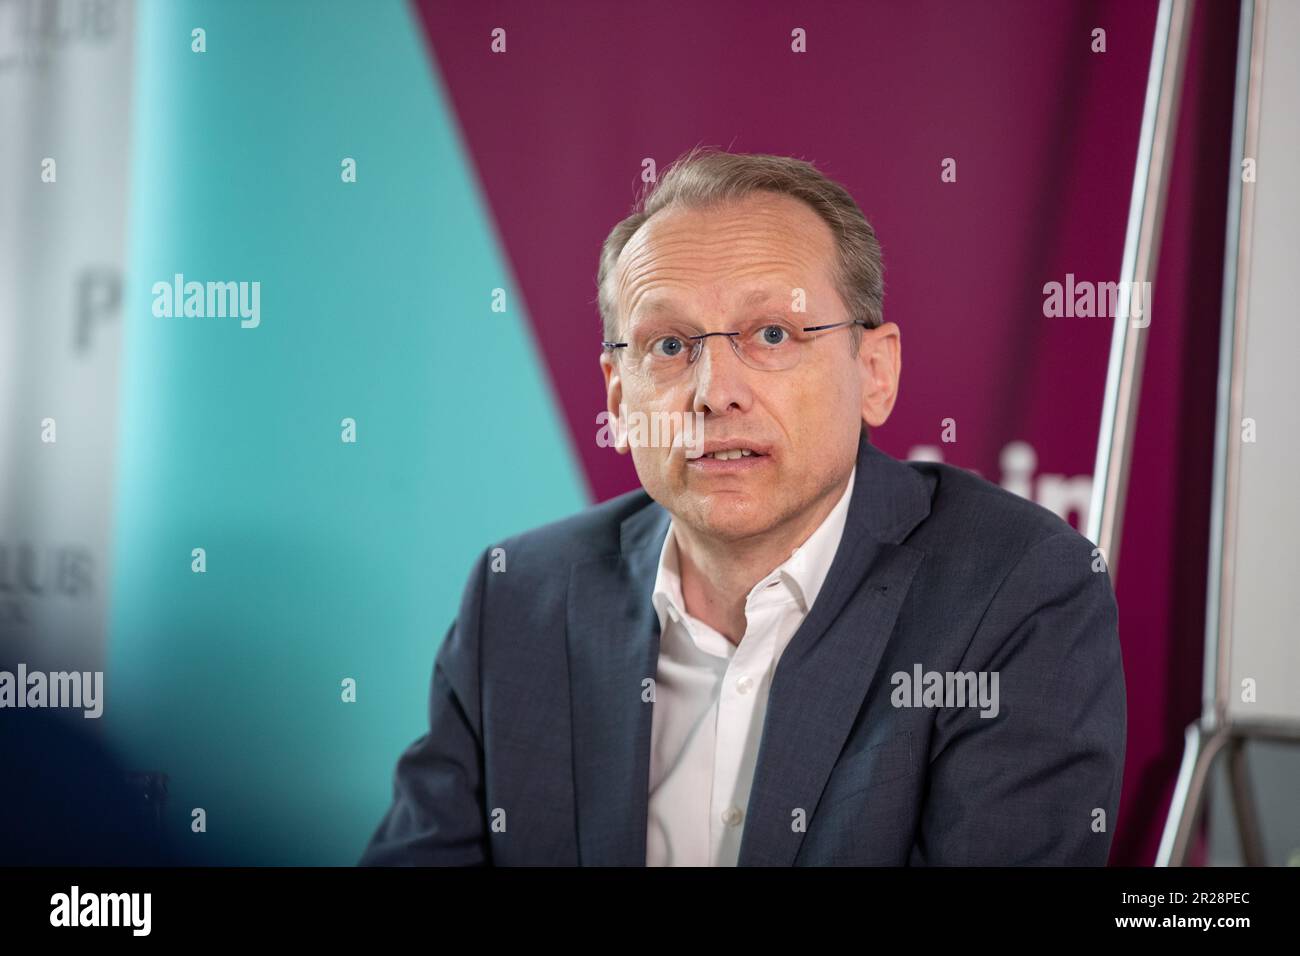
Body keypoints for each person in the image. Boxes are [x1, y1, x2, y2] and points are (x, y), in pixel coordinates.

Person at [359, 148, 1126, 866]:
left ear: (875, 371)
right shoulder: (520, 596)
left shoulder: (1015, 590)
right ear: (619, 399)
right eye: (667, 345)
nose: (714, 391)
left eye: (771, 333)